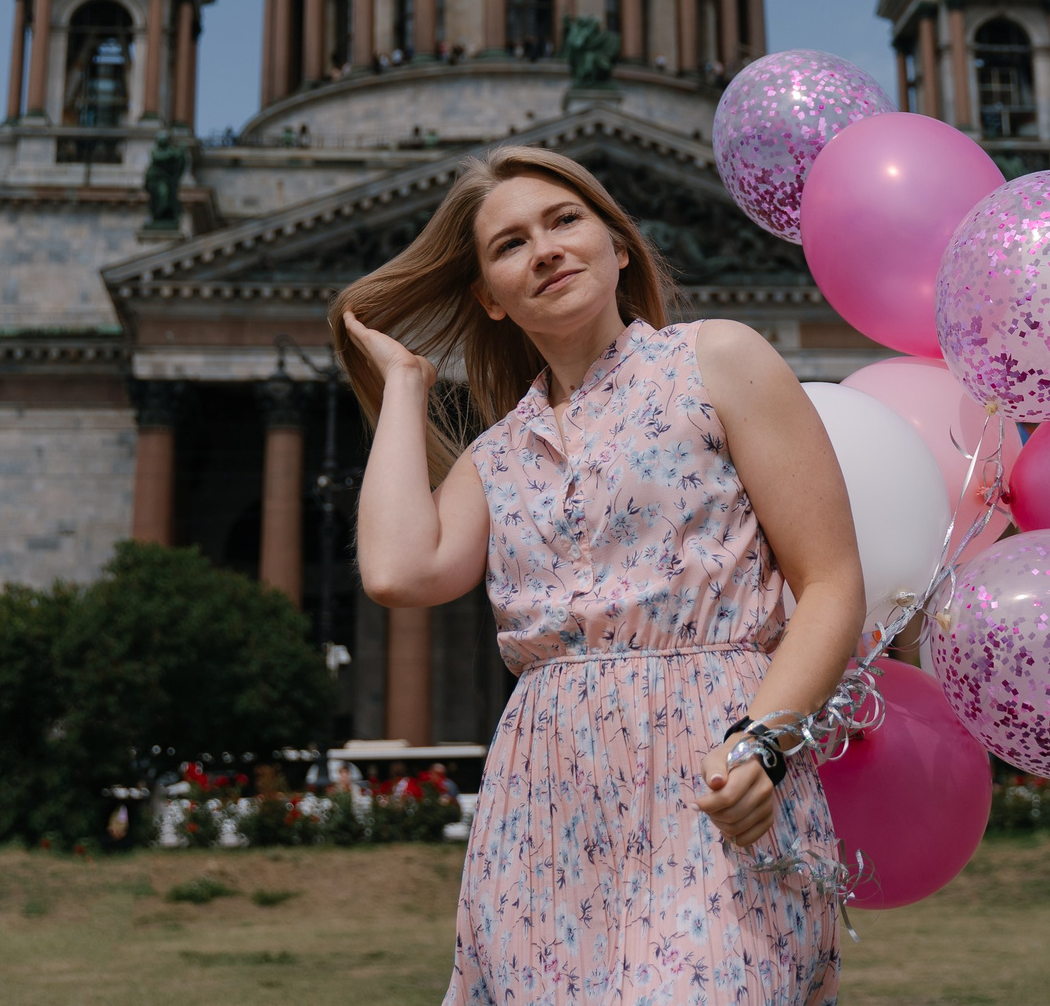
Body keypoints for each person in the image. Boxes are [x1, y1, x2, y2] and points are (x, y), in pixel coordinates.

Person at [338, 145, 863, 1005]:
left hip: (714, 770)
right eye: (509, 245)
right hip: (545, 807)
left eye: (564, 220)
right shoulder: (498, 452)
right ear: (491, 300)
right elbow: (400, 570)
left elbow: (833, 579)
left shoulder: (717, 360)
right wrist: (404, 382)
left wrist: (764, 740)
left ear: (620, 246)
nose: (543, 249)